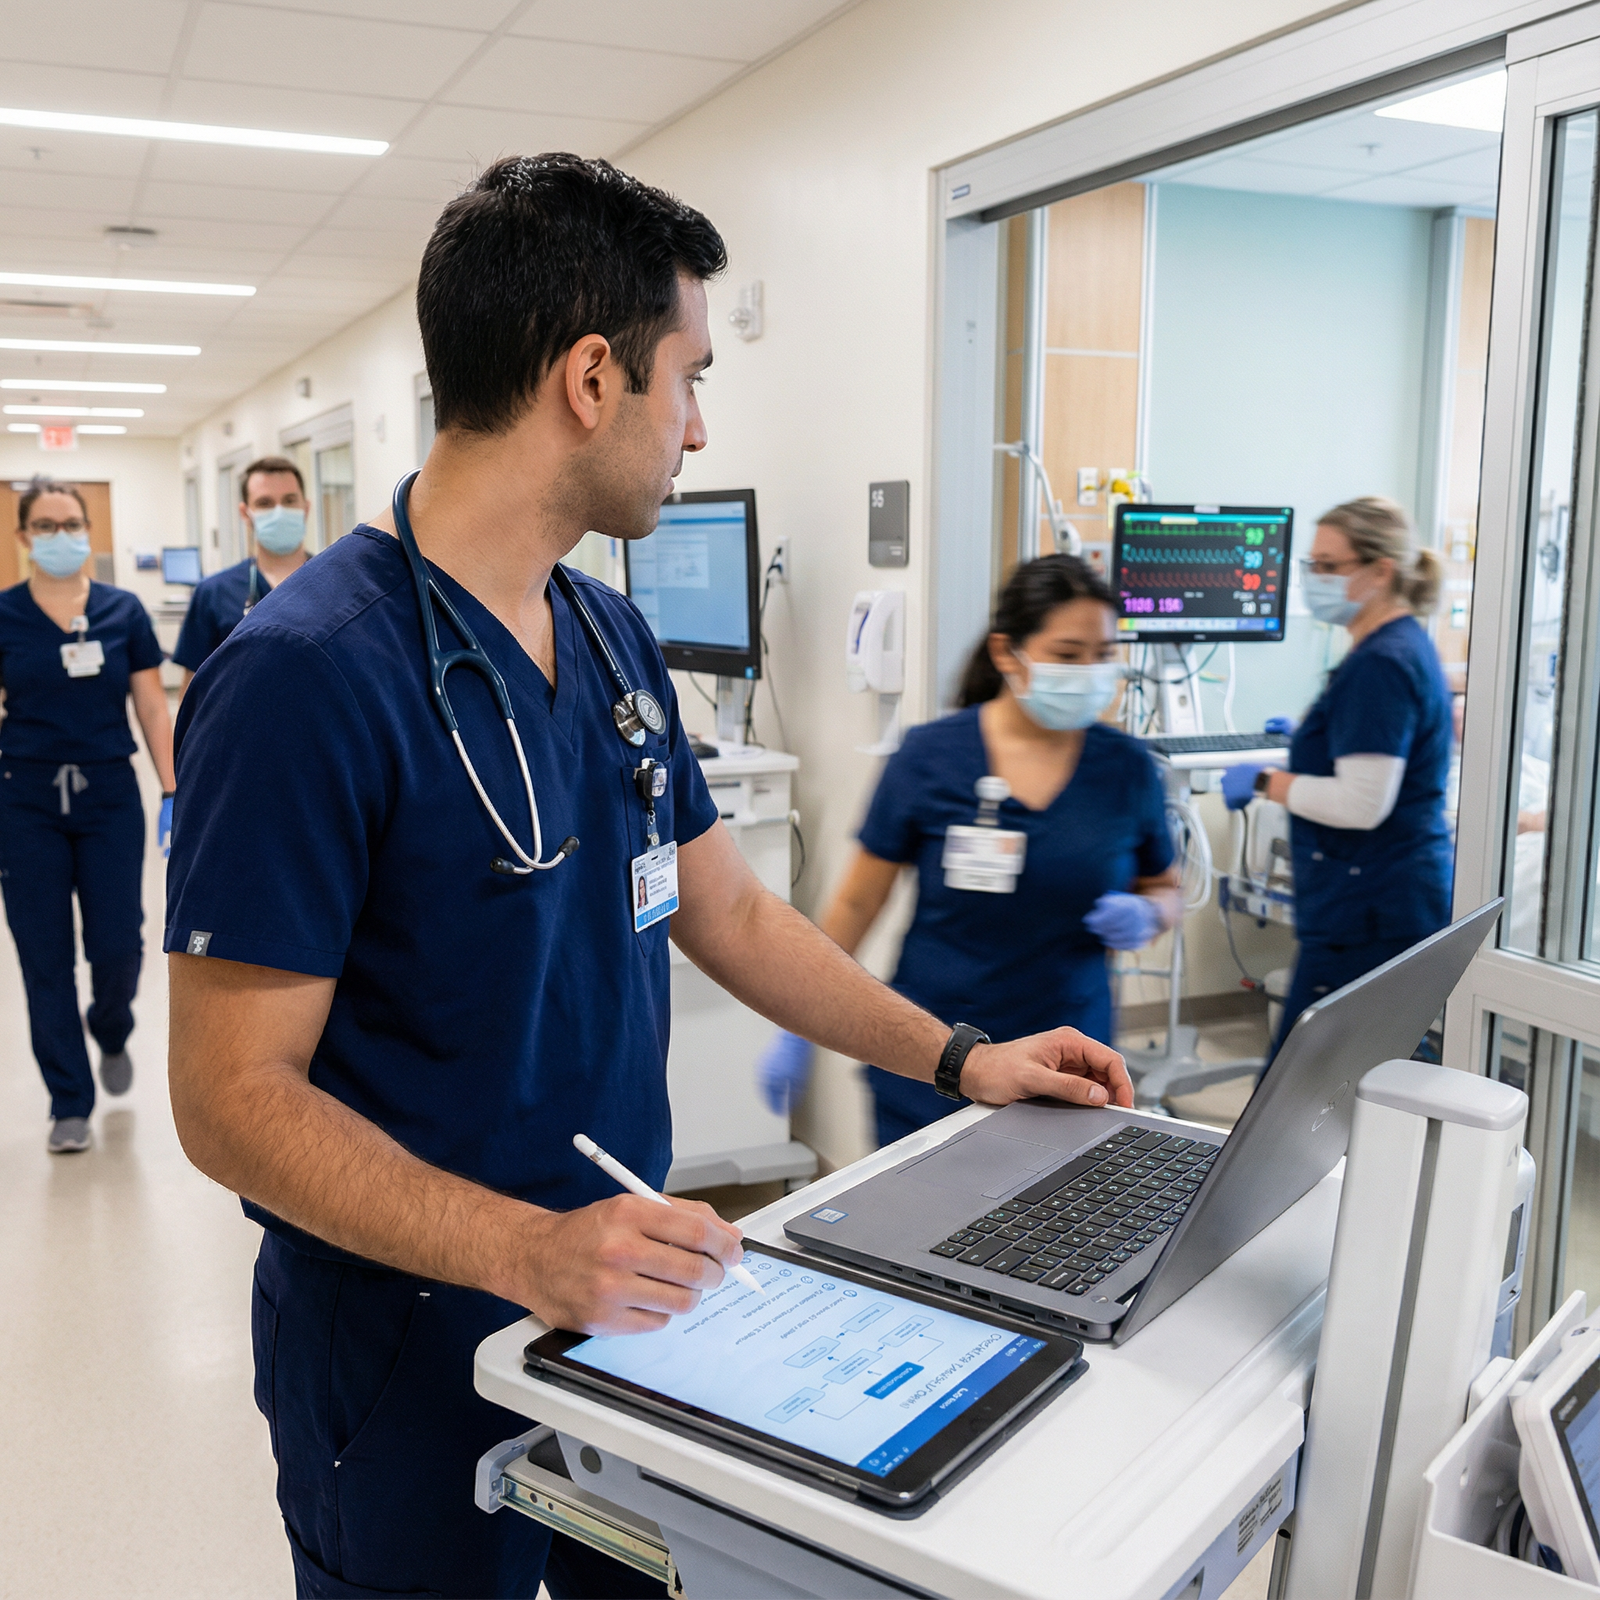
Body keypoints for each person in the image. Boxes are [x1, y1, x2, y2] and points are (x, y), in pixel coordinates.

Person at [164, 154, 1130, 1600]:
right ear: (592, 378)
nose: (699, 423)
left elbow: (728, 911)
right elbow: (228, 1102)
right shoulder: (305, 677)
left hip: (632, 1295)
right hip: (410, 1337)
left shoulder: (607, 641)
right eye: (690, 374)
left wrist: (962, 1056)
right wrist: (523, 1248)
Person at [759, 555, 1182, 1147]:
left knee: (1048, 1230)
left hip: (1069, 1064)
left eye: (1104, 654)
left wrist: (1151, 913)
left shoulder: (1127, 769)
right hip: (936, 1058)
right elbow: (856, 905)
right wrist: (800, 1023)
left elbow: (1165, 886)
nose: (1090, 671)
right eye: (1067, 654)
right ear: (1009, 653)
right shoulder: (931, 758)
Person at [1222, 496, 1452, 1056]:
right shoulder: (1395, 648)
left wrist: (1263, 783)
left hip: (1371, 906)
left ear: (1380, 571)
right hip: (1380, 899)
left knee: (1305, 1087)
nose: (1314, 579)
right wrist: (1314, 732)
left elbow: (1360, 803)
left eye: (1330, 566)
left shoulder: (1380, 662)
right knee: (1368, 1072)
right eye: (1311, 565)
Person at [0, 477, 174, 1153]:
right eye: (44, 526)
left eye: (70, 523)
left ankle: (111, 1027)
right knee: (43, 957)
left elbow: (153, 707)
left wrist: (171, 790)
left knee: (118, 945)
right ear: (22, 539)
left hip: (107, 795)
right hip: (25, 797)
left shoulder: (122, 611)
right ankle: (68, 1100)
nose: (60, 535)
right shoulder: (6, 614)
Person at [172, 455, 311, 687]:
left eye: (289, 501)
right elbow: (192, 690)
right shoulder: (214, 592)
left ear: (305, 508)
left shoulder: (337, 583)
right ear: (246, 513)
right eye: (265, 503)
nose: (279, 512)